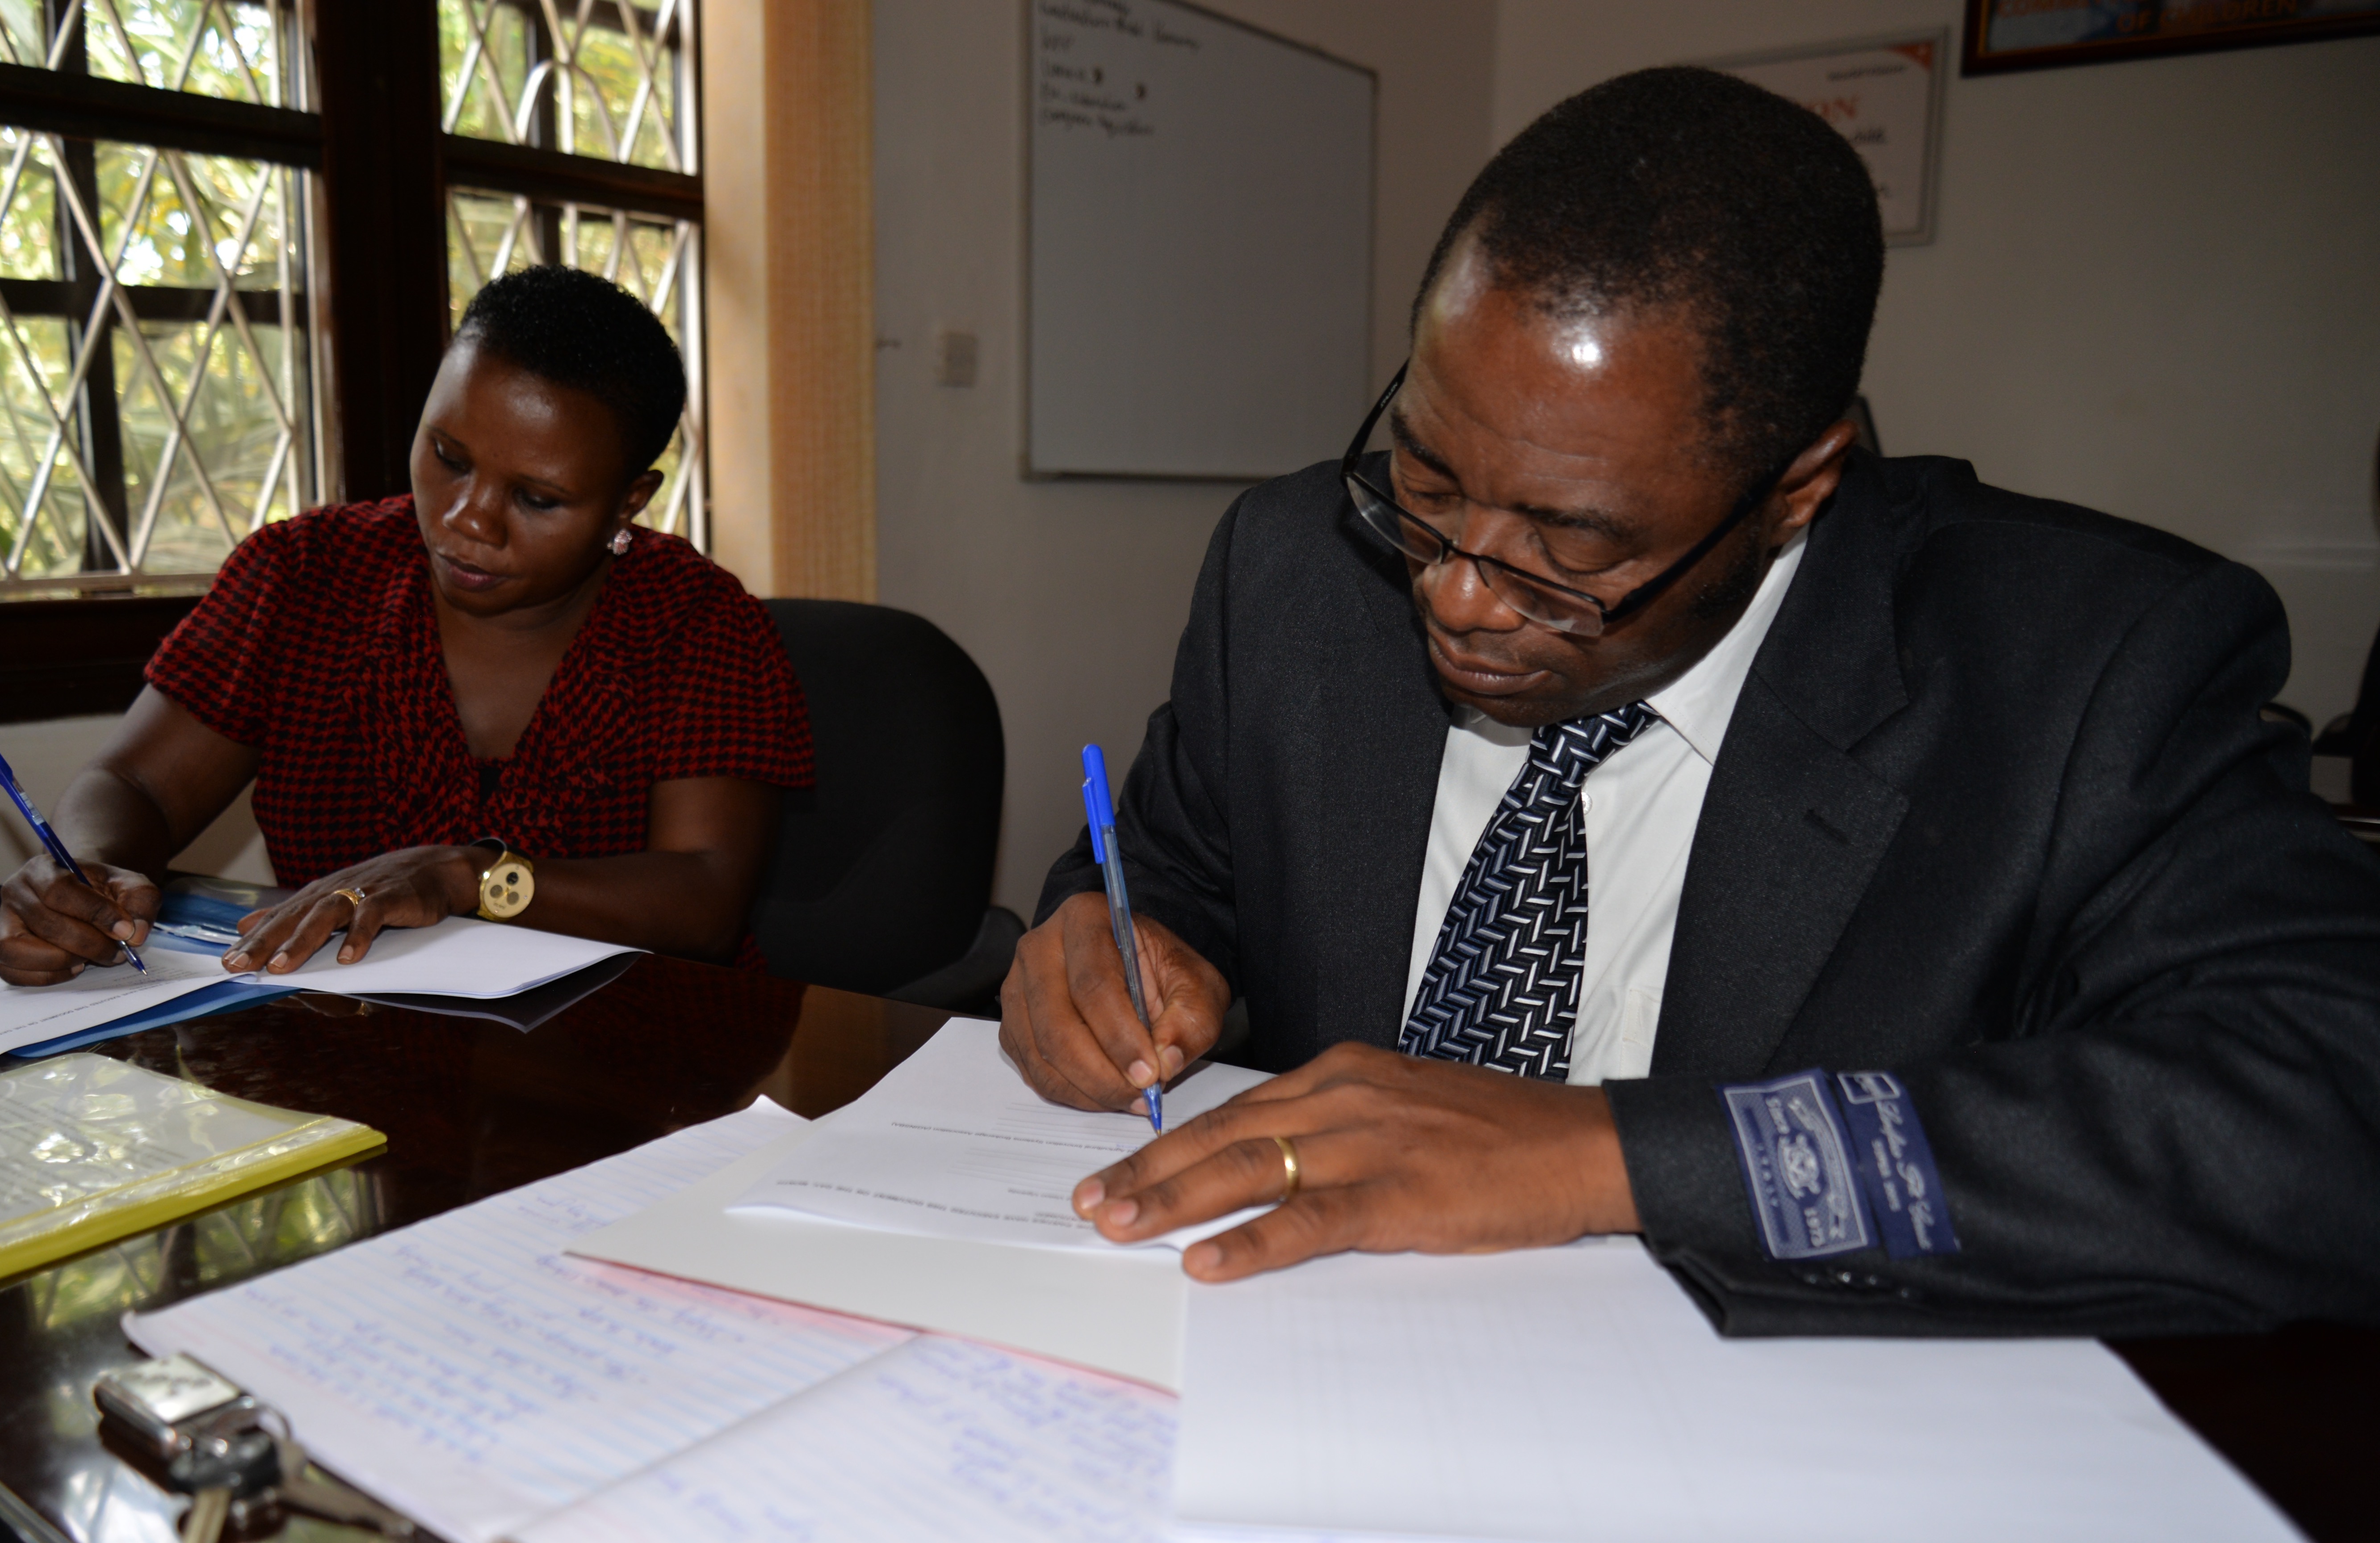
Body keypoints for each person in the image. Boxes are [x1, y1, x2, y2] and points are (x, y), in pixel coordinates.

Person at [1000, 67, 2380, 1335]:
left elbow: (2326, 1112)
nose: (1460, 592)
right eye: (1425, 477)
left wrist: (1606, 1157)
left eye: (1574, 542)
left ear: (1798, 488)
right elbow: (1170, 872)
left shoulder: (2086, 670)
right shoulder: (1296, 575)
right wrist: (1114, 953)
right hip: (1305, 1361)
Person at [0, 265, 810, 985]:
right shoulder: (306, 578)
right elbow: (136, 785)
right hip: (342, 1047)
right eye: (449, 457)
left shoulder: (700, 624)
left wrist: (468, 876)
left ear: (629, 501)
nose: (468, 519)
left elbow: (703, 899)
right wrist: (86, 872)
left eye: (537, 499)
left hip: (629, 1060)